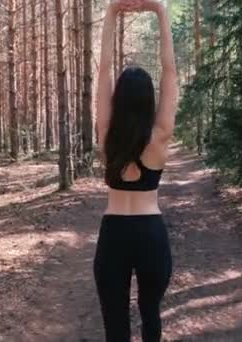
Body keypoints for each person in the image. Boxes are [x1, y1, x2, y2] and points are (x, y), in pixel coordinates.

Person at [93, 0, 178, 341]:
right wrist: (160, 12)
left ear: (118, 98)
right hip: (150, 235)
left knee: (115, 325)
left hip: (113, 235)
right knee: (150, 316)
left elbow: (102, 71)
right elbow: (170, 71)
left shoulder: (105, 134)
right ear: (148, 100)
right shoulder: (159, 139)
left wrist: (113, 12)